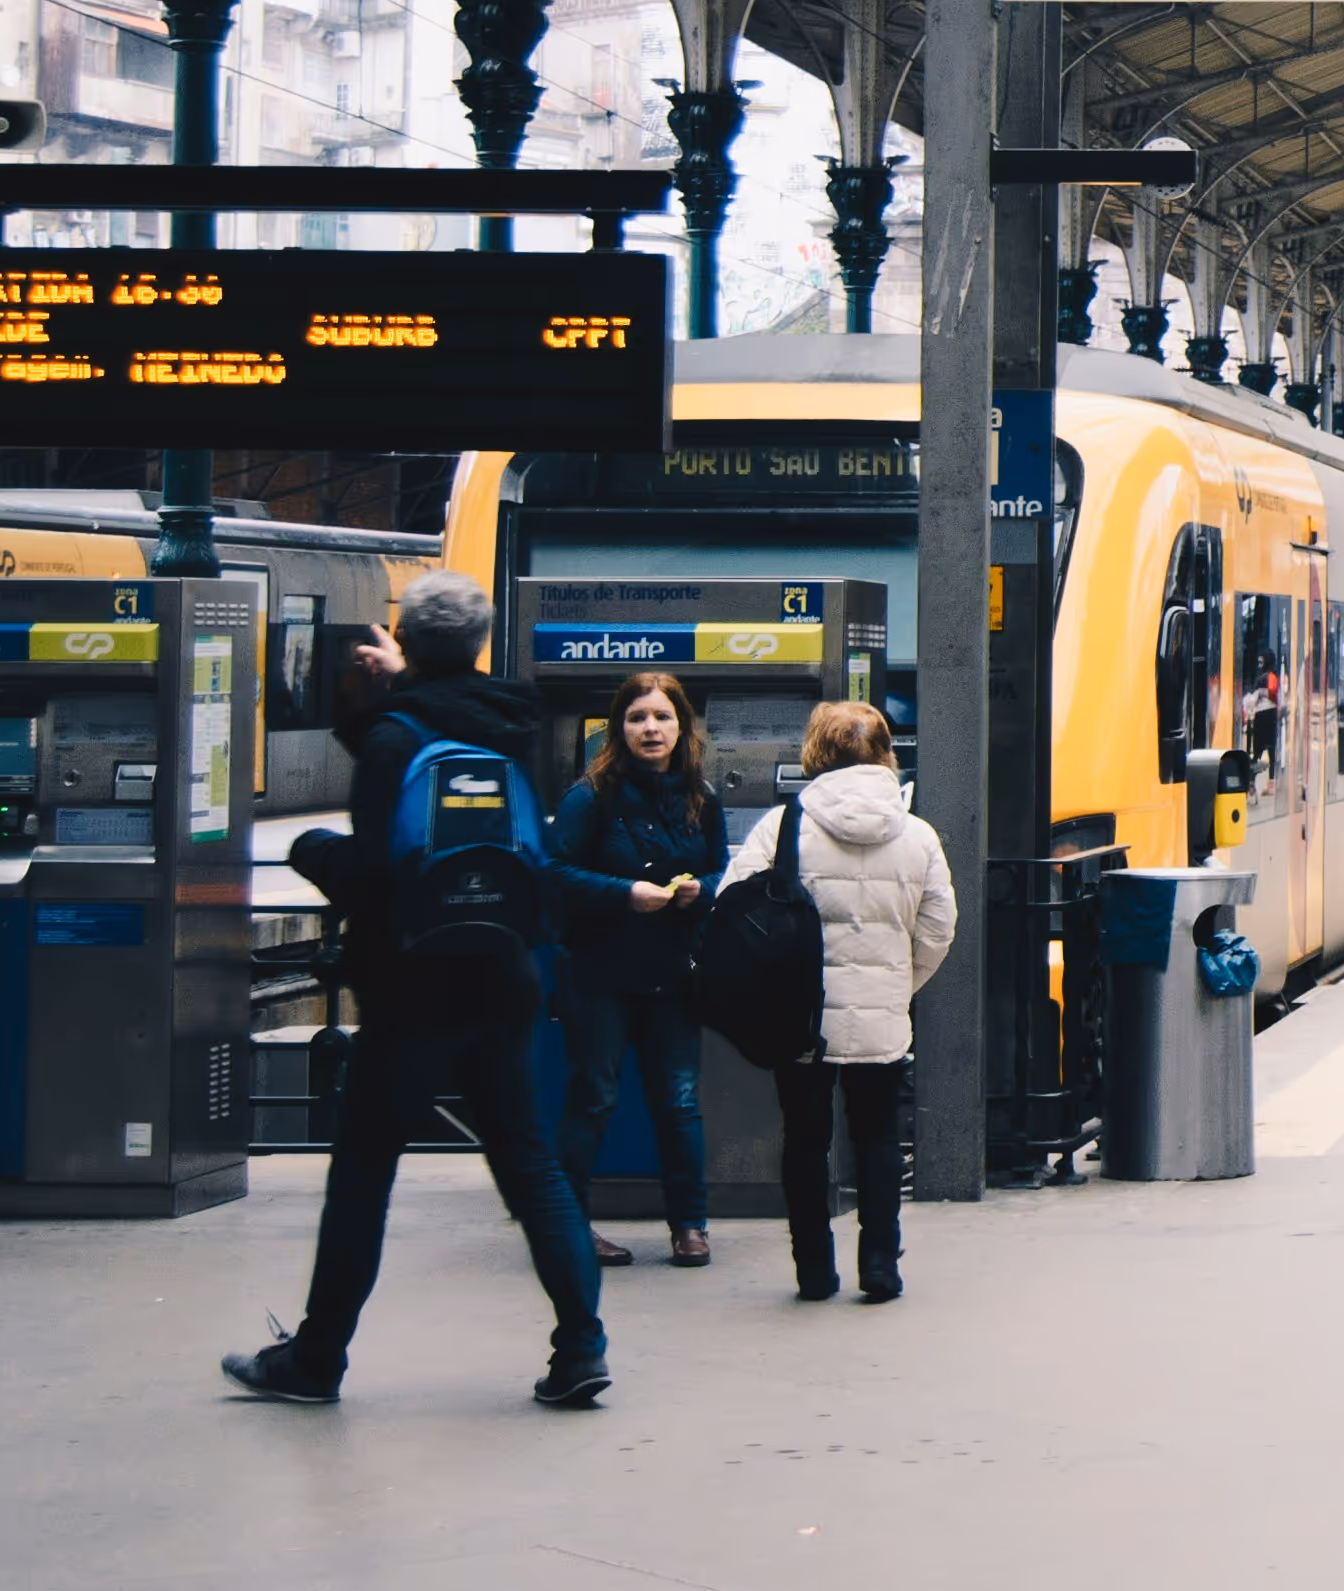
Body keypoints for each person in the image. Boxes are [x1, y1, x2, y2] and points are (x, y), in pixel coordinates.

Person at [223, 570, 692, 1411]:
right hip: (504, 975)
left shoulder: (396, 738)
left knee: (363, 1176)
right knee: (533, 1169)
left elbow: (373, 871)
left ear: (407, 638)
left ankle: (316, 1358)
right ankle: (581, 1347)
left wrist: (314, 849)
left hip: (411, 984)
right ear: (476, 642)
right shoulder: (509, 729)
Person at [751, 699, 961, 1301]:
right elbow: (939, 929)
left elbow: (735, 911)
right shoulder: (918, 835)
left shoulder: (783, 826)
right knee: (877, 1139)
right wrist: (899, 986)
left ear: (815, 751)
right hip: (883, 1020)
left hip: (801, 1021)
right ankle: (880, 1265)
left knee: (806, 1141)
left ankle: (813, 1270)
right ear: (887, 753)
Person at [548, 669, 727, 1268]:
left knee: (678, 1102)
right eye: (637, 718)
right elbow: (553, 875)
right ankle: (569, 1226)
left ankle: (689, 1225)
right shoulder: (589, 798)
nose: (651, 729)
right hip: (599, 973)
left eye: (662, 717)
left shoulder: (702, 798)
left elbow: (724, 870)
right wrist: (625, 893)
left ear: (682, 727)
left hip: (673, 972)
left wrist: (697, 889)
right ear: (617, 728)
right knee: (593, 1097)